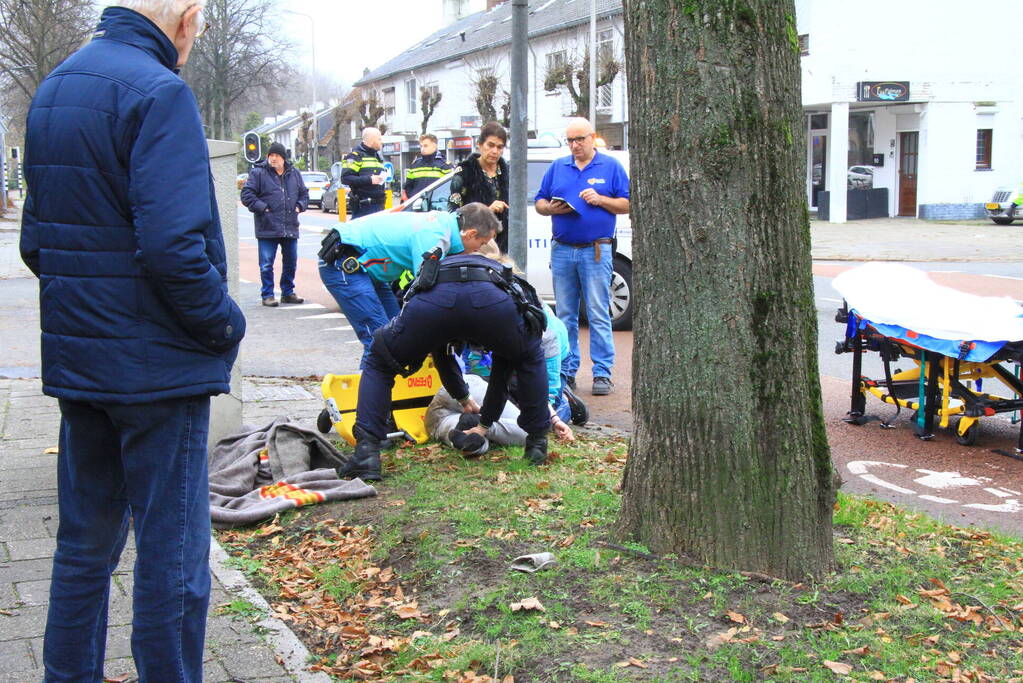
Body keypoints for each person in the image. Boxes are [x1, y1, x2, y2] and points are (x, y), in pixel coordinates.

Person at [19, 2, 246, 680]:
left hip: (81, 362)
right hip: (159, 373)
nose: (194, 42)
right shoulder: (160, 93)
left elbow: (37, 240)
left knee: (83, 545)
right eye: (197, 29)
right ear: (184, 17)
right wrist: (222, 323)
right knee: (173, 560)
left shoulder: (55, 88)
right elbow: (176, 249)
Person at [339, 247, 551, 481]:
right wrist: (479, 413)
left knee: (379, 363)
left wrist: (468, 403)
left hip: (433, 303)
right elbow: (504, 368)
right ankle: (537, 444)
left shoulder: (441, 273)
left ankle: (366, 453)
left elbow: (443, 353)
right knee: (528, 357)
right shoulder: (502, 280)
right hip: (494, 305)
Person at [318, 202, 501, 362]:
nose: (480, 249)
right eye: (483, 243)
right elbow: (428, 290)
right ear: (471, 234)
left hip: (370, 270)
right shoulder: (434, 236)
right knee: (379, 342)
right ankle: (370, 399)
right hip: (344, 264)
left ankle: (393, 393)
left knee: (399, 335)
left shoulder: (446, 225)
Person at [534, 117, 630, 396]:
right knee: (565, 314)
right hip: (563, 249)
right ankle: (567, 369)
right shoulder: (557, 167)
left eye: (580, 140)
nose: (575, 145)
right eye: (570, 141)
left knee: (598, 312)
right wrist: (551, 209)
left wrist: (600, 200)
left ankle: (602, 373)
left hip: (596, 250)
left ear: (591, 138)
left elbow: (626, 203)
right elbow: (540, 201)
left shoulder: (610, 167)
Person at [240, 141, 308, 307]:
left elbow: (304, 194)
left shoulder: (294, 174)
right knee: (266, 263)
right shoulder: (258, 173)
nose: (273, 159)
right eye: (271, 155)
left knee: (291, 262)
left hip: (290, 225)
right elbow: (247, 195)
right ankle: (268, 295)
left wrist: (299, 206)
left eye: (277, 155)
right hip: (267, 226)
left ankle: (287, 292)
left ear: (283, 158)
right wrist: (264, 209)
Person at [448, 121, 510, 252]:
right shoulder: (464, 172)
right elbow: (454, 215)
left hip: (505, 243)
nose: (495, 151)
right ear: (479, 144)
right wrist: (487, 211)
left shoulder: (508, 173)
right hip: (476, 244)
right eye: (490, 145)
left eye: (500, 147)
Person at [342, 127, 388, 218]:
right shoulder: (355, 156)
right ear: (372, 139)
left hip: (379, 206)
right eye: (379, 139)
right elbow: (345, 178)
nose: (381, 142)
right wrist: (369, 180)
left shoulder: (377, 157)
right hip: (363, 207)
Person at [402, 133, 451, 201]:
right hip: (416, 206)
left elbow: (448, 188)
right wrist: (413, 199)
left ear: (434, 146)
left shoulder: (444, 166)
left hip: (436, 206)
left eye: (425, 146)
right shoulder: (415, 165)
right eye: (421, 146)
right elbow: (408, 186)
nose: (422, 149)